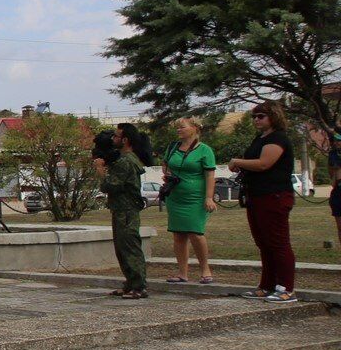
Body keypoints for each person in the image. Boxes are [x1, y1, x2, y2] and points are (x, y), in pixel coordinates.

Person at [228, 101, 297, 302]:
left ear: (273, 117)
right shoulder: (260, 138)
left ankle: (286, 287)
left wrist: (238, 162)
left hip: (274, 195)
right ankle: (267, 285)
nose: (256, 120)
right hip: (256, 195)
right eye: (254, 116)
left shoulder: (278, 138)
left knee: (278, 243)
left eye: (261, 116)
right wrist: (241, 165)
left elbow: (264, 163)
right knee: (263, 243)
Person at [94, 122, 149, 299]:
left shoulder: (126, 161)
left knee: (130, 248)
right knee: (121, 248)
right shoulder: (122, 159)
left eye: (116, 136)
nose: (113, 139)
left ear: (125, 140)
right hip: (120, 209)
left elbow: (110, 186)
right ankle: (130, 284)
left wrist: (101, 170)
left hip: (127, 210)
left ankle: (139, 286)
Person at [161, 117, 217, 284]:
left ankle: (205, 269)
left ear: (194, 128)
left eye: (182, 127)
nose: (178, 130)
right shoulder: (173, 147)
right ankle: (182, 272)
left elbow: (210, 175)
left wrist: (209, 197)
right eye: (177, 127)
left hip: (195, 197)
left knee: (196, 233)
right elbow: (165, 164)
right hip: (176, 196)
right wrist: (168, 174)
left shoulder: (204, 150)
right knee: (178, 234)